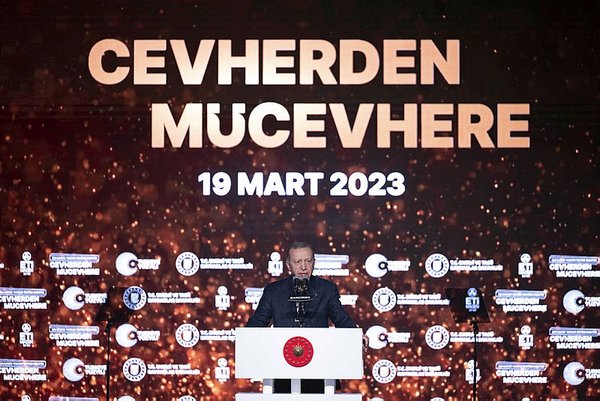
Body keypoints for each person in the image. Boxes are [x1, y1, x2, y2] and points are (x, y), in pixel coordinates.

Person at [247, 241, 359, 393]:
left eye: (308, 261)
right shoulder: (273, 291)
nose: (304, 267)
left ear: (314, 262)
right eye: (298, 262)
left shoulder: (327, 289)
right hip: (283, 367)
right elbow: (258, 321)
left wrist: (356, 335)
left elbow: (340, 317)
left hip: (319, 367)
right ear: (288, 265)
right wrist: (245, 338)